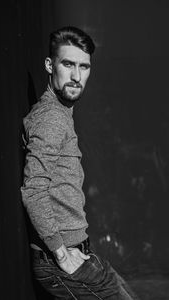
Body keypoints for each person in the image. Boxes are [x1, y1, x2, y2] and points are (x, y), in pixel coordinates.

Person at [21, 26, 139, 300]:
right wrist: (61, 254)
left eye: (84, 67)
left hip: (80, 252)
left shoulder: (61, 114)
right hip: (60, 263)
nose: (76, 76)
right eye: (68, 64)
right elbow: (33, 191)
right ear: (50, 65)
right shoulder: (50, 118)